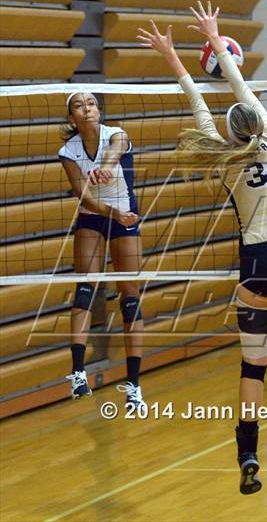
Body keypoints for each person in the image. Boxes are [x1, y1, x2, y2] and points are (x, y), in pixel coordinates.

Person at [137, 1, 267, 494]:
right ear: (256, 123)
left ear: (228, 133)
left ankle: (247, 454)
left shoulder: (221, 159)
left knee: (253, 364)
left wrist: (174, 58)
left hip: (254, 264)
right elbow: (238, 87)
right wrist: (217, 36)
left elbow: (198, 104)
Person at [58, 92, 145, 410]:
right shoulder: (68, 152)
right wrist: (112, 213)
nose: (87, 108)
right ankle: (77, 372)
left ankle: (134, 385)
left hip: (126, 219)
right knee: (84, 288)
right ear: (72, 118)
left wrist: (106, 167)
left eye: (92, 103)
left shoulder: (116, 133)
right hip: (97, 217)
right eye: (79, 105)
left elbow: (116, 150)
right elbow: (86, 198)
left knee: (130, 296)